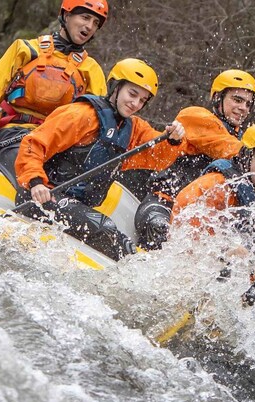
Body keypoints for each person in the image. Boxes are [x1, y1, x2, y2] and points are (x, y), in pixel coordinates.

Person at [13, 58, 185, 260]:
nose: (135, 103)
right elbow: (34, 144)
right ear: (115, 86)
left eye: (142, 100)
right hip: (43, 197)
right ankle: (135, 267)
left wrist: (173, 140)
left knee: (107, 229)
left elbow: (157, 156)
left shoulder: (133, 129)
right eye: (132, 94)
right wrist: (35, 182)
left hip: (75, 204)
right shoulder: (81, 115)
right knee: (106, 228)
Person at [0, 0, 109, 183]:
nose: (89, 26)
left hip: (57, 145)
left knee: (64, 182)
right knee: (34, 179)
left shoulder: (91, 69)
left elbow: (98, 121)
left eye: (96, 23)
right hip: (14, 135)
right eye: (85, 17)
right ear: (67, 16)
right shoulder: (26, 50)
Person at [134, 69, 255, 249]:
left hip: (195, 219)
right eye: (237, 100)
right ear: (218, 97)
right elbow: (223, 146)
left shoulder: (242, 144)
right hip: (163, 204)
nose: (243, 108)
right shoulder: (197, 117)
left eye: (248, 104)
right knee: (161, 231)